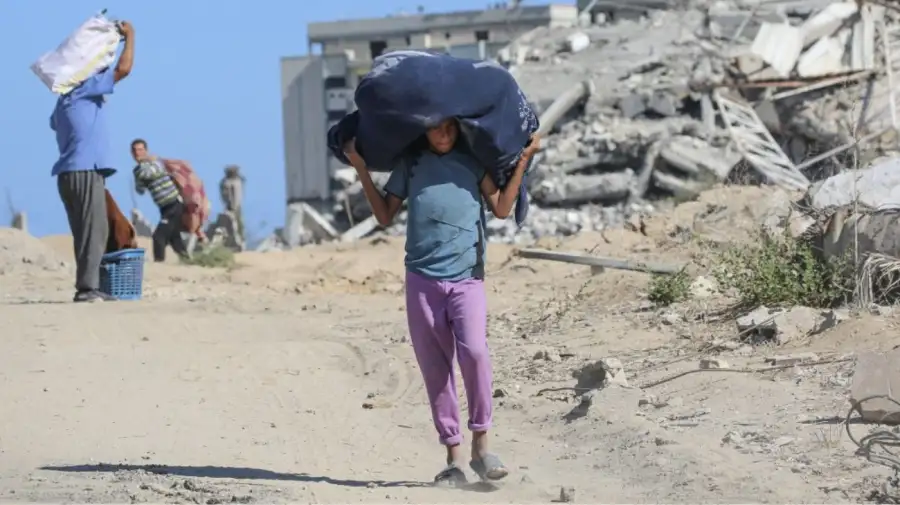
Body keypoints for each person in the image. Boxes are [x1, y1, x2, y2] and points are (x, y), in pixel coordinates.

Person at [343, 119, 540, 485]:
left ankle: (483, 445)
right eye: (436, 128)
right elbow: (385, 216)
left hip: (467, 277)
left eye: (450, 127)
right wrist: (359, 167)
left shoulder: (472, 161)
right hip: (422, 280)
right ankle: (454, 457)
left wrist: (525, 158)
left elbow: (499, 208)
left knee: (476, 353)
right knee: (436, 368)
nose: (444, 135)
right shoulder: (411, 164)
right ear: (424, 131)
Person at [50, 20, 135, 303]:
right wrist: (130, 37)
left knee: (86, 232)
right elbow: (123, 69)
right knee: (94, 231)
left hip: (68, 173)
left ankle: (90, 285)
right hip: (85, 170)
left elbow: (56, 125)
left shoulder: (63, 100)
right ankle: (87, 290)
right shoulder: (84, 89)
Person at [130, 139, 189, 262]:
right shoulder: (139, 169)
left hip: (174, 204)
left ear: (146, 151)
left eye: (140, 150)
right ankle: (188, 261)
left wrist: (141, 171)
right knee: (175, 238)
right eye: (135, 150)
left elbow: (151, 173)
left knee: (159, 237)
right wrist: (139, 176)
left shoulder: (155, 163)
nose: (137, 153)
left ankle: (159, 264)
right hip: (164, 207)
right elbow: (140, 190)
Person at [219, 164, 245, 245]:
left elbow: (236, 196)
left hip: (233, 207)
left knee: (236, 224)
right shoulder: (228, 182)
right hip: (231, 206)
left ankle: (238, 241)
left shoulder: (234, 182)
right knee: (233, 225)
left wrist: (234, 206)